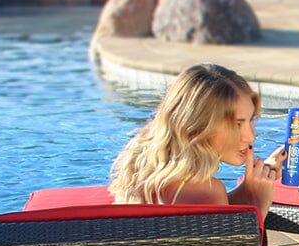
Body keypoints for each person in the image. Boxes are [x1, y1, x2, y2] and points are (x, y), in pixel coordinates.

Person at [109, 63, 284, 218]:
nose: (250, 136)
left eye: (251, 120)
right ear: (200, 125)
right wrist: (258, 204)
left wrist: (248, 189)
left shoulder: (147, 165)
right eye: (237, 124)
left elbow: (201, 216)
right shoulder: (206, 192)